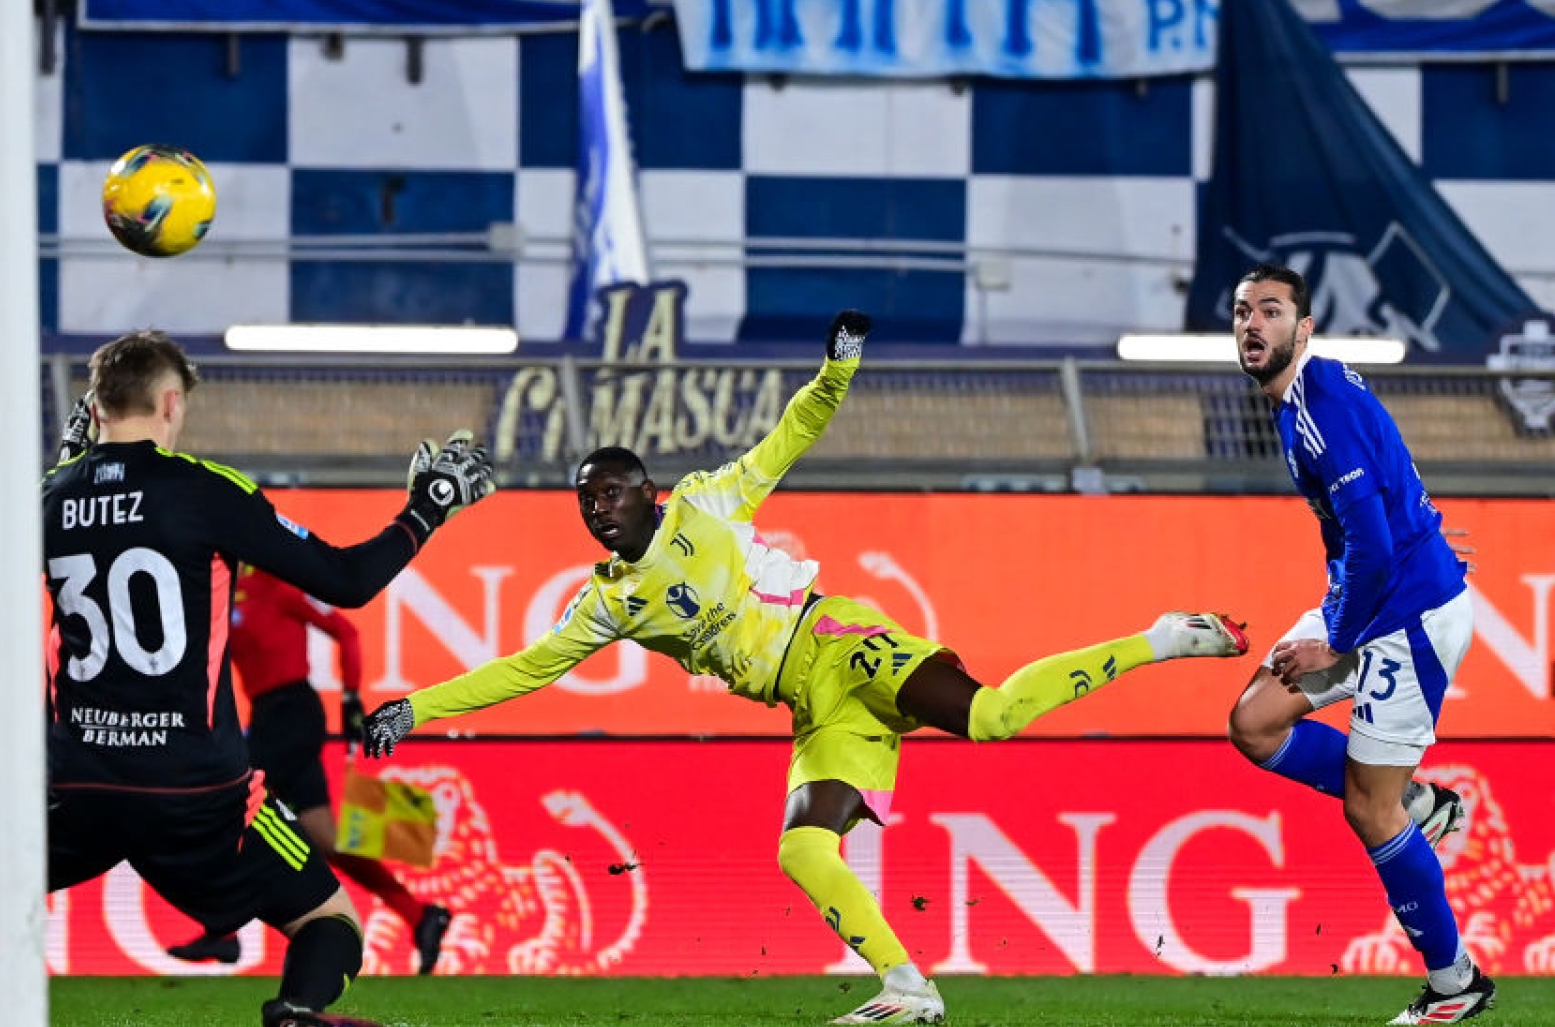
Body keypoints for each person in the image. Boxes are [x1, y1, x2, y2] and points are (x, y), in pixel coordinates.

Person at [361, 310, 1249, 1026]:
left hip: (839, 642)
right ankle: (909, 987)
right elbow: (521, 670)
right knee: (800, 848)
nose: (597, 509)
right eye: (585, 500)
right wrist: (413, 707)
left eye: (612, 492)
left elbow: (788, 438)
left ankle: (1162, 638)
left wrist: (836, 370)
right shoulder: (607, 602)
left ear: (649, 493)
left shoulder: (706, 507)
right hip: (814, 706)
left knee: (992, 718)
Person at [0, 329, 495, 1027]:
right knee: (329, 921)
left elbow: (26, 586)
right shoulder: (209, 491)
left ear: (95, 404)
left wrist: (69, 470)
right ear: (171, 403)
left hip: (74, 784)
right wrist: (427, 508)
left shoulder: (45, 497)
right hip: (197, 792)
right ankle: (295, 1014)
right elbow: (347, 582)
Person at [1223, 264, 1494, 1025]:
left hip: (1404, 620)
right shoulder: (1309, 396)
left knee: (1366, 813)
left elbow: (1373, 544)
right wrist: (1421, 533)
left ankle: (1455, 986)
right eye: (1242, 312)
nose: (1253, 324)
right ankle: (1417, 802)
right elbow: (1381, 496)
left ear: (1303, 329)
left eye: (1271, 311)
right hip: (1371, 595)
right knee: (1253, 723)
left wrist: (1336, 644)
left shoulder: (1320, 407)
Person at [165, 565, 453, 974]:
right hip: (267, 717)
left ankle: (224, 930)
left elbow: (347, 633)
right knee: (325, 837)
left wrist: (351, 698)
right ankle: (420, 915)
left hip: (292, 714)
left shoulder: (276, 584)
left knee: (229, 804)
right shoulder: (218, 593)